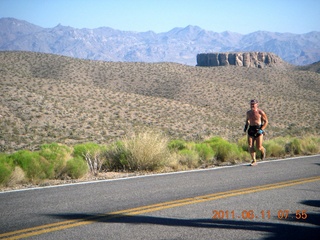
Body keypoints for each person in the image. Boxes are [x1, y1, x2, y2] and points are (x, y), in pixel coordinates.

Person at [244, 99, 268, 166]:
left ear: (257, 104)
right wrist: (246, 127)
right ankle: (254, 160)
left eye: (253, 104)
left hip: (258, 129)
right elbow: (247, 120)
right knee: (250, 146)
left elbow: (266, 122)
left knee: (258, 147)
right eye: (251, 104)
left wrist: (262, 129)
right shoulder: (248, 113)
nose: (252, 105)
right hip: (251, 129)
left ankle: (263, 150)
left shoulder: (261, 112)